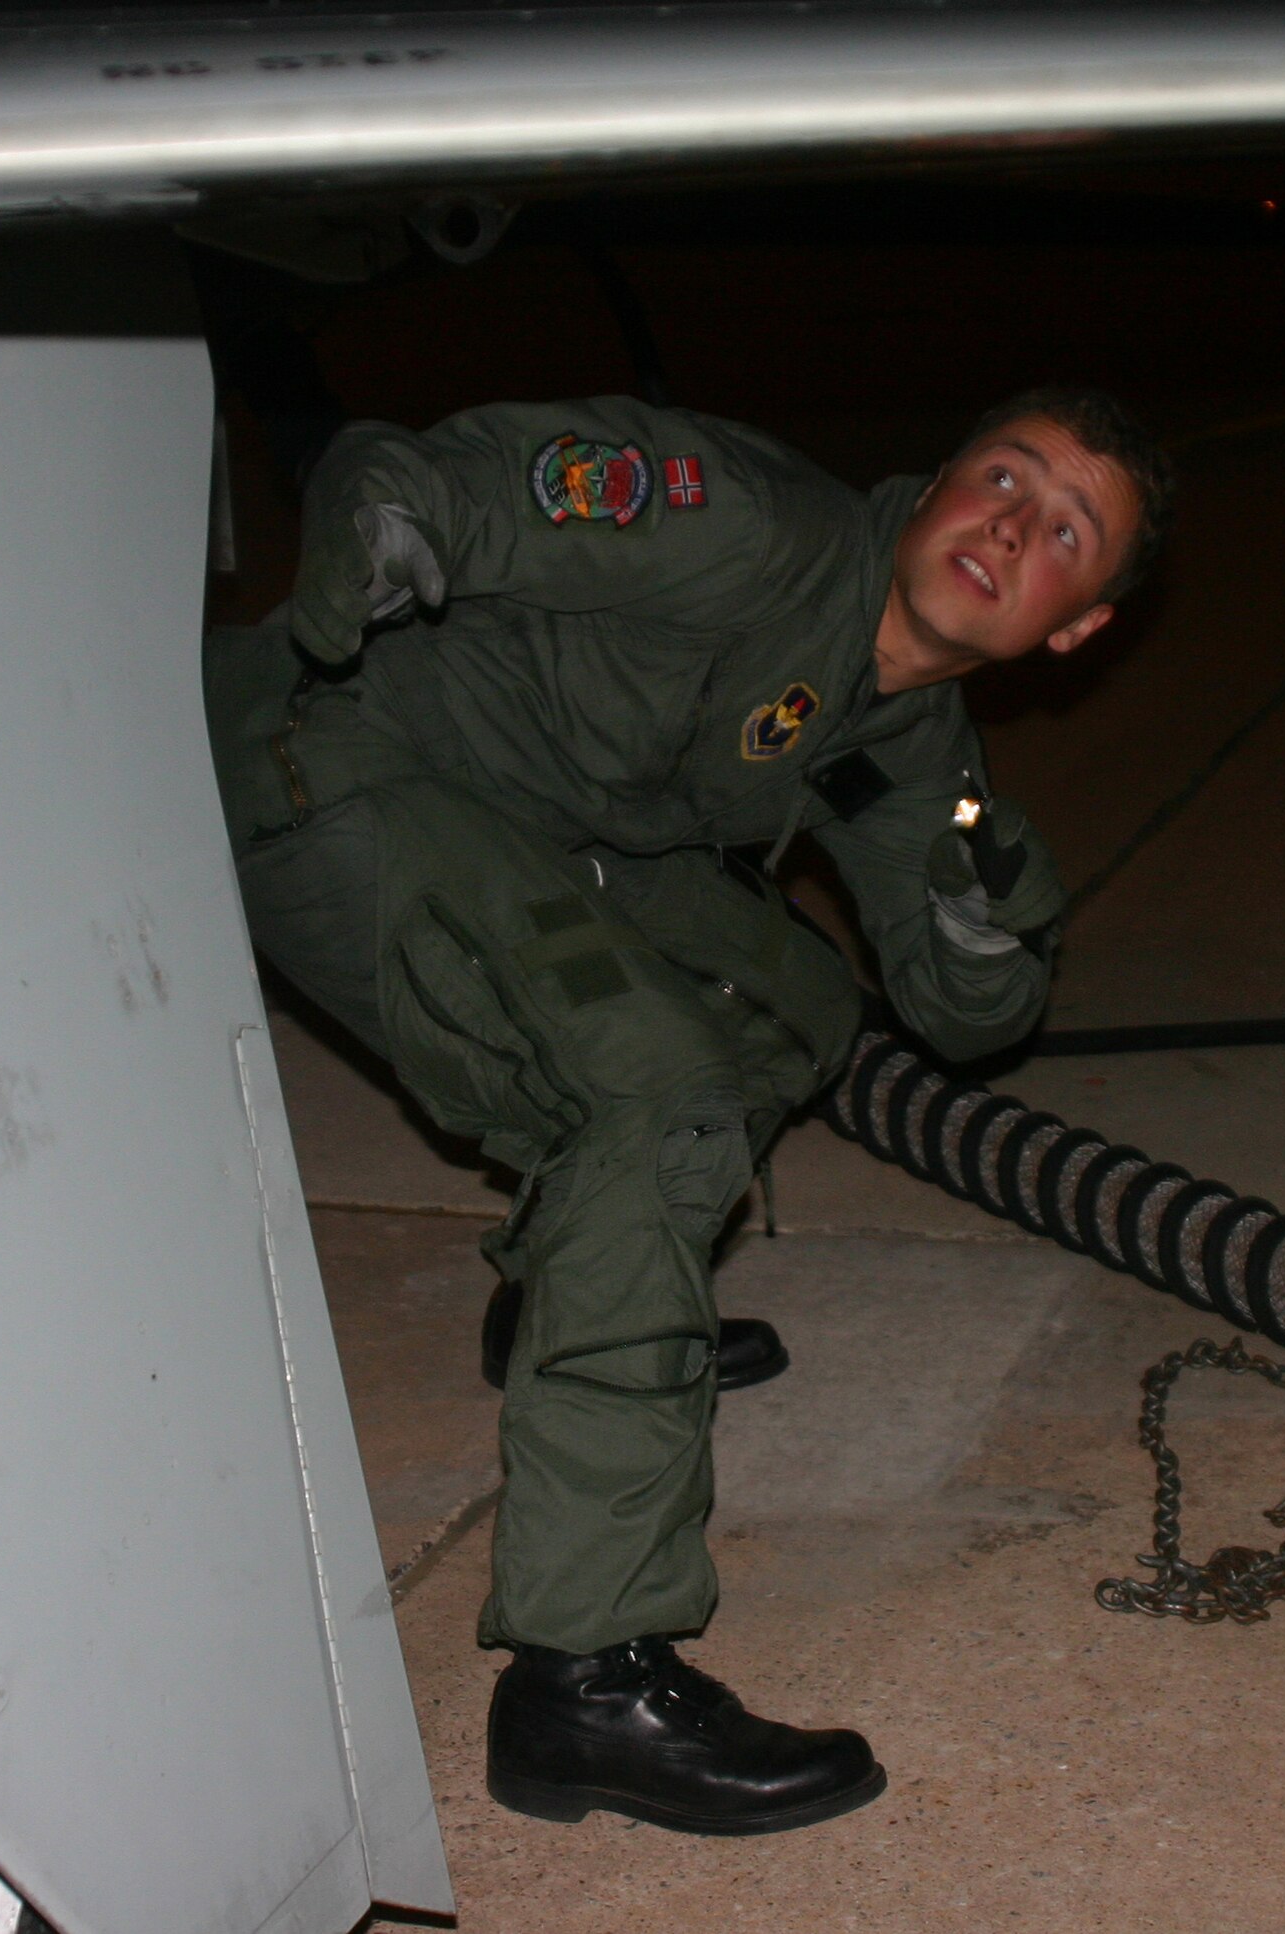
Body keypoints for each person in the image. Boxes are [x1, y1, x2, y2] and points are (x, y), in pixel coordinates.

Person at [203, 388, 1172, 1837]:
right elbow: (470, 481)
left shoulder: (905, 729)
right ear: (935, 481)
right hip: (337, 758)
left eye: (1066, 532)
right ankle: (581, 1683)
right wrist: (392, 527)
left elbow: (967, 1006)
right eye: (1003, 476)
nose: (1014, 524)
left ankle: (584, 1290)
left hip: (528, 825)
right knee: (657, 1092)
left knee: (792, 1004)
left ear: (1074, 628)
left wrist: (987, 907)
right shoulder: (755, 530)